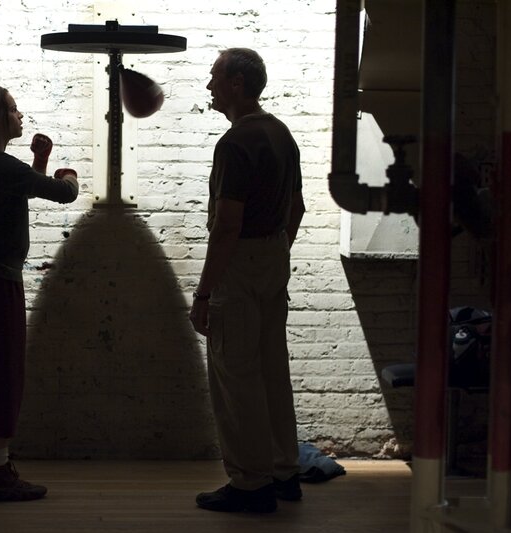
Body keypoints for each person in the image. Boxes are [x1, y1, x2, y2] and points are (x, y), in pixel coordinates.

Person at [189, 48, 306, 513]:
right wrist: (275, 253)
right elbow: (296, 208)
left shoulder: (234, 143)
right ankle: (283, 472)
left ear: (237, 83)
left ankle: (250, 484)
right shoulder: (281, 133)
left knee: (235, 376)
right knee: (273, 370)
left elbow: (227, 227)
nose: (209, 85)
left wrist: (203, 293)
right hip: (275, 256)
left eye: (215, 76)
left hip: (239, 265)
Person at [0, 85, 79, 502]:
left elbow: (21, 187)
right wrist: (67, 174)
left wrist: (39, 162)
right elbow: (64, 193)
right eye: (12, 109)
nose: (19, 114)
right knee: (4, 374)